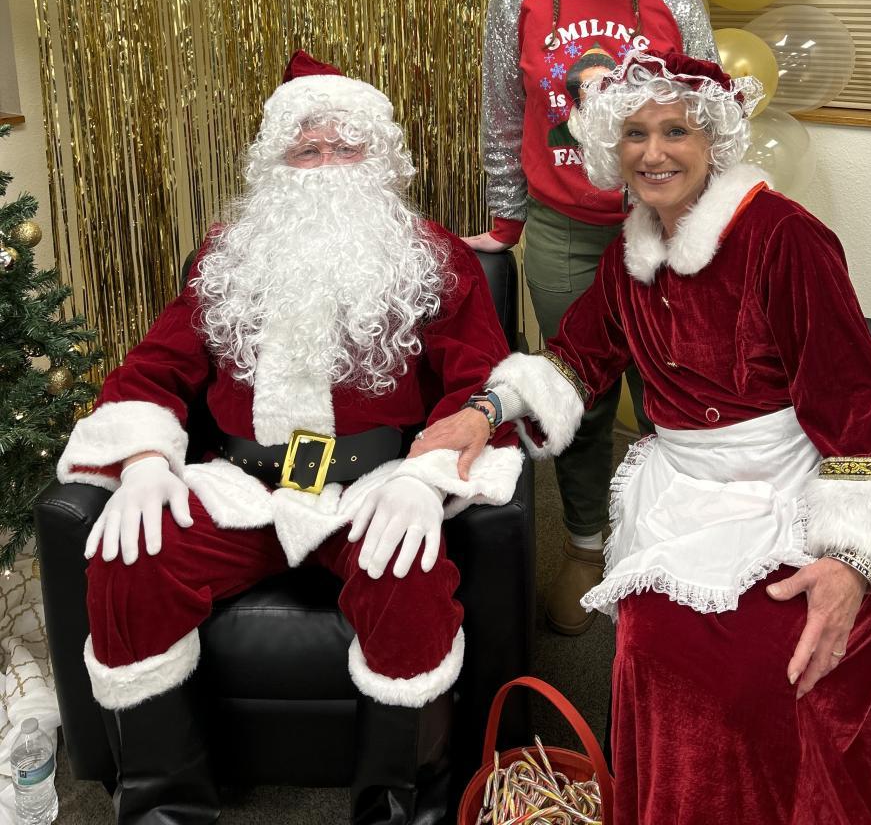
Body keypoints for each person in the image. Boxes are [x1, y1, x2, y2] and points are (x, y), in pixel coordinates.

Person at [420, 47, 871, 824]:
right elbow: (576, 358)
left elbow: (859, 403)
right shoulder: (632, 251)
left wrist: (850, 560)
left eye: (676, 131)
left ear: (714, 141)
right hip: (681, 497)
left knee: (771, 676)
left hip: (786, 492)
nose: (653, 152)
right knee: (651, 654)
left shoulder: (785, 238)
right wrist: (485, 410)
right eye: (634, 133)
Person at [57, 51, 522, 825]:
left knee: (408, 581)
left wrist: (427, 476)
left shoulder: (433, 257)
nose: (328, 165)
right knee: (130, 564)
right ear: (276, 165)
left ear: (381, 160)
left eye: (347, 147)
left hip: (371, 488)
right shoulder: (228, 256)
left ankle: (402, 811)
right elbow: (155, 367)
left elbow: (482, 380)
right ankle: (164, 812)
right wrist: (141, 460)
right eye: (308, 149)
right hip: (240, 487)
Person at [464, 0, 719, 635]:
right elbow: (505, 116)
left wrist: (710, 228)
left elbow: (713, 116)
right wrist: (505, 222)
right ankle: (585, 543)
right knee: (579, 393)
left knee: (676, 392)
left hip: (667, 232)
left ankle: (676, 547)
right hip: (566, 235)